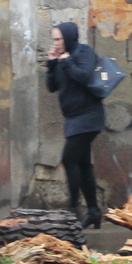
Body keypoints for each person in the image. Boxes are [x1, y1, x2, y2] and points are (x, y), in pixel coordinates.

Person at [45, 22, 105, 228]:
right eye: (54, 39)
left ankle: (73, 210)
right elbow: (52, 87)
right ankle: (94, 212)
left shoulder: (84, 52)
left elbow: (85, 76)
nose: (56, 43)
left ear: (69, 38)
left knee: (69, 159)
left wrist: (67, 61)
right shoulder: (63, 59)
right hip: (73, 117)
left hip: (88, 116)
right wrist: (51, 64)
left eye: (58, 39)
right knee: (83, 164)